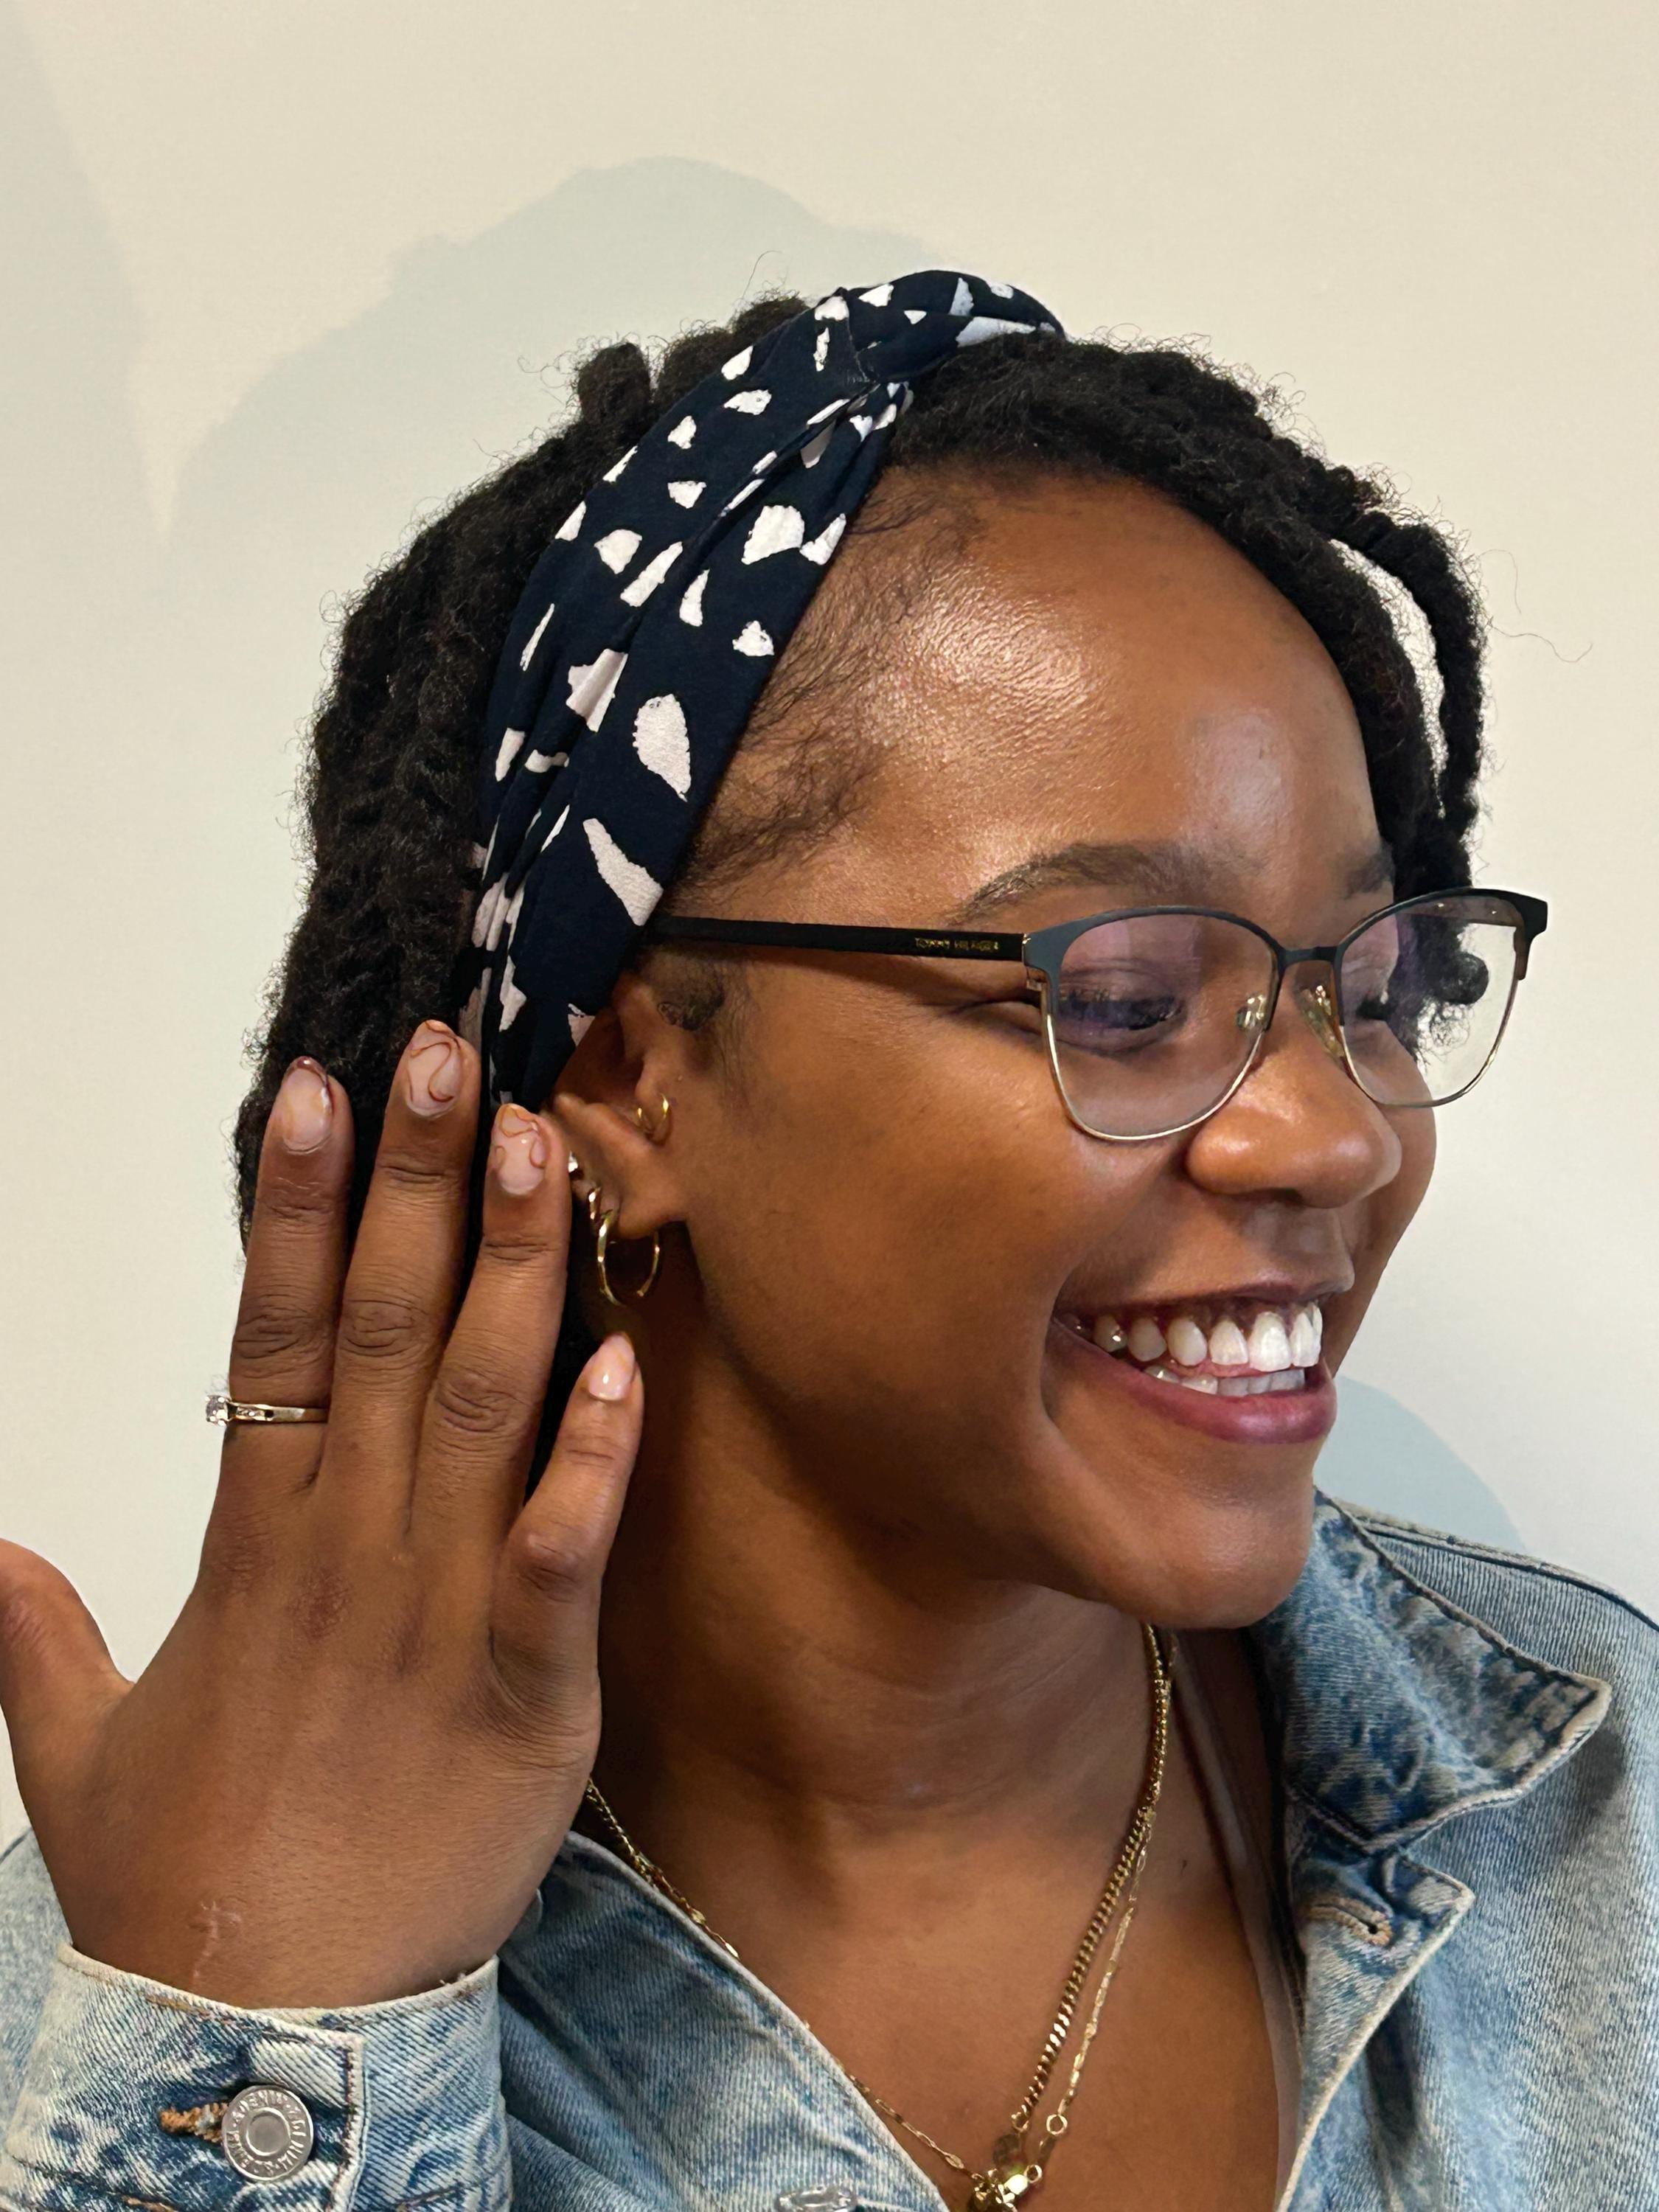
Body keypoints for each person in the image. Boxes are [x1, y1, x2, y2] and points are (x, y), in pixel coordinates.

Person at [0, 271, 1653, 2212]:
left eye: (1364, 982)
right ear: (626, 1065)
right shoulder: (157, 2032)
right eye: (1119, 993)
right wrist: (270, 2046)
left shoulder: (1597, 1813)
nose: (1337, 1132)